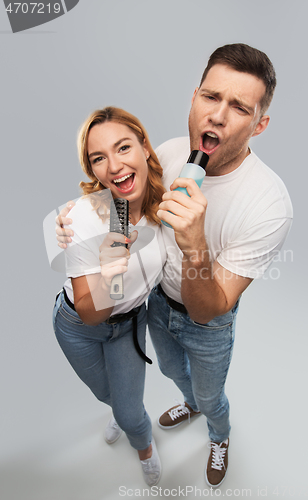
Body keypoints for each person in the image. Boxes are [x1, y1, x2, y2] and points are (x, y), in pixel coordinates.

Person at [56, 43, 293, 488]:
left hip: (208, 324)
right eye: (210, 96)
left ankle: (218, 433)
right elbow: (121, 201)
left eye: (238, 107)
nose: (217, 116)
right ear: (194, 98)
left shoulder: (269, 205)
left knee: (210, 392)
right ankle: (191, 402)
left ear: (259, 124)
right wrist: (74, 221)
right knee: (169, 371)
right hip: (155, 308)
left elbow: (211, 308)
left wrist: (196, 247)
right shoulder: (165, 153)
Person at [52, 106, 166, 486]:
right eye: (99, 158)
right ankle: (120, 412)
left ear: (145, 147)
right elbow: (89, 312)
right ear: (92, 170)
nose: (114, 166)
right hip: (76, 326)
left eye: (123, 148)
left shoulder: (165, 209)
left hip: (130, 324)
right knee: (106, 394)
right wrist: (106, 272)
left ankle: (145, 446)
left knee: (131, 411)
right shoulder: (84, 217)